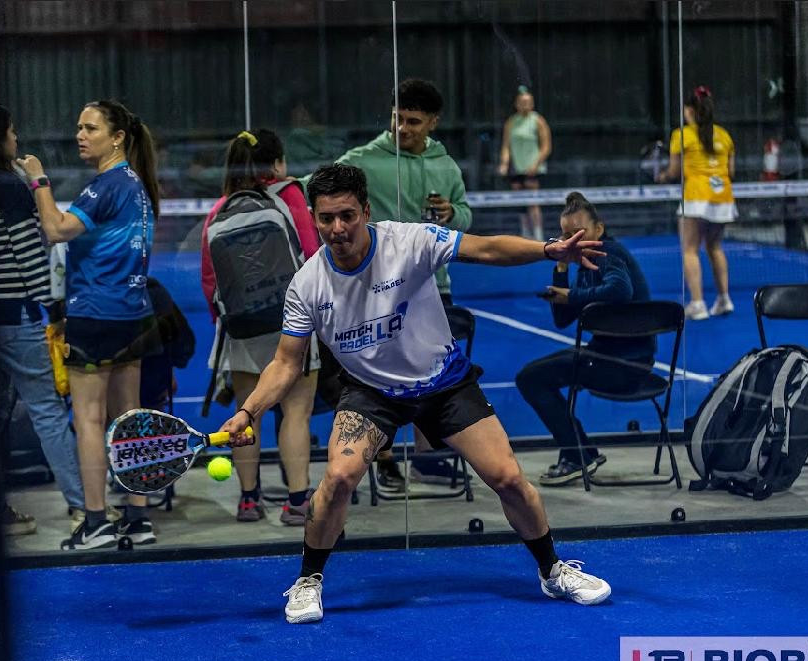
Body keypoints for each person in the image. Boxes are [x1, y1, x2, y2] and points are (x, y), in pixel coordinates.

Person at [219, 164, 612, 624]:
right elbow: (286, 363)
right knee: (339, 477)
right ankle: (308, 580)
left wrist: (548, 250)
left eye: (347, 215)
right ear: (314, 218)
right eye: (326, 218)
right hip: (371, 392)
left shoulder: (409, 242)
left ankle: (552, 570)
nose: (337, 228)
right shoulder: (307, 284)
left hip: (443, 381)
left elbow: (485, 248)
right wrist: (249, 411)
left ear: (366, 212)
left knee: (506, 477)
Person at [309, 78, 473, 489]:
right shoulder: (362, 160)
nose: (402, 129)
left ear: (433, 122)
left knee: (432, 372)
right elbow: (324, 192)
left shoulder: (446, 165)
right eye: (397, 119)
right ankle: (381, 459)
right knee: (374, 376)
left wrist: (453, 214)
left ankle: (427, 459)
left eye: (413, 121)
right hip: (373, 289)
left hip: (433, 285)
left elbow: (465, 213)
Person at [18, 99, 161, 549]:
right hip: (134, 314)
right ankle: (138, 518)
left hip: (96, 313)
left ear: (117, 137)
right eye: (79, 127)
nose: (80, 135)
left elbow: (56, 228)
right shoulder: (136, 185)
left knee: (90, 420)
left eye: (90, 128)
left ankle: (96, 521)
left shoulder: (107, 185)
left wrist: (38, 179)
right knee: (130, 419)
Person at [0, 104, 98, 537]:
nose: (16, 139)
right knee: (48, 411)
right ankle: (86, 507)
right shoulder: (7, 187)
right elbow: (29, 255)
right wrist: (54, 309)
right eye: (12, 132)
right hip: (18, 316)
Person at [200, 129, 321, 524]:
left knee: (246, 415)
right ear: (278, 163)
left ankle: (249, 500)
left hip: (242, 331)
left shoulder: (220, 210)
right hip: (292, 325)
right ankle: (297, 502)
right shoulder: (290, 197)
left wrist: (228, 323)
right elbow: (312, 256)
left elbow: (209, 280)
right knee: (296, 415)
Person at [516, 192, 655, 486]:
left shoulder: (608, 253)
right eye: (566, 236)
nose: (572, 241)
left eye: (578, 234)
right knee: (531, 375)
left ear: (599, 229)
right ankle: (582, 451)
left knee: (531, 379)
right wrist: (561, 267)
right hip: (607, 358)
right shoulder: (584, 264)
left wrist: (571, 296)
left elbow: (620, 290)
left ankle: (577, 455)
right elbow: (562, 319)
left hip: (623, 365)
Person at [658, 85, 737, 321]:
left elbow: (674, 172)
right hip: (723, 196)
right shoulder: (724, 135)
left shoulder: (681, 135)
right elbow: (731, 172)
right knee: (715, 247)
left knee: (690, 249)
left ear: (690, 110)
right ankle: (724, 299)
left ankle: (697, 304)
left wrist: (661, 176)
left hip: (695, 198)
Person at [497, 85, 552, 241]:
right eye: (522, 102)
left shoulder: (538, 120)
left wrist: (535, 165)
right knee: (520, 204)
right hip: (516, 169)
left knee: (533, 202)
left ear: (532, 103)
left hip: (533, 168)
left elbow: (546, 147)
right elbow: (506, 146)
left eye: (528, 102)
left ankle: (538, 236)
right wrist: (504, 164)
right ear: (516, 104)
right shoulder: (511, 122)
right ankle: (525, 234)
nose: (525, 105)